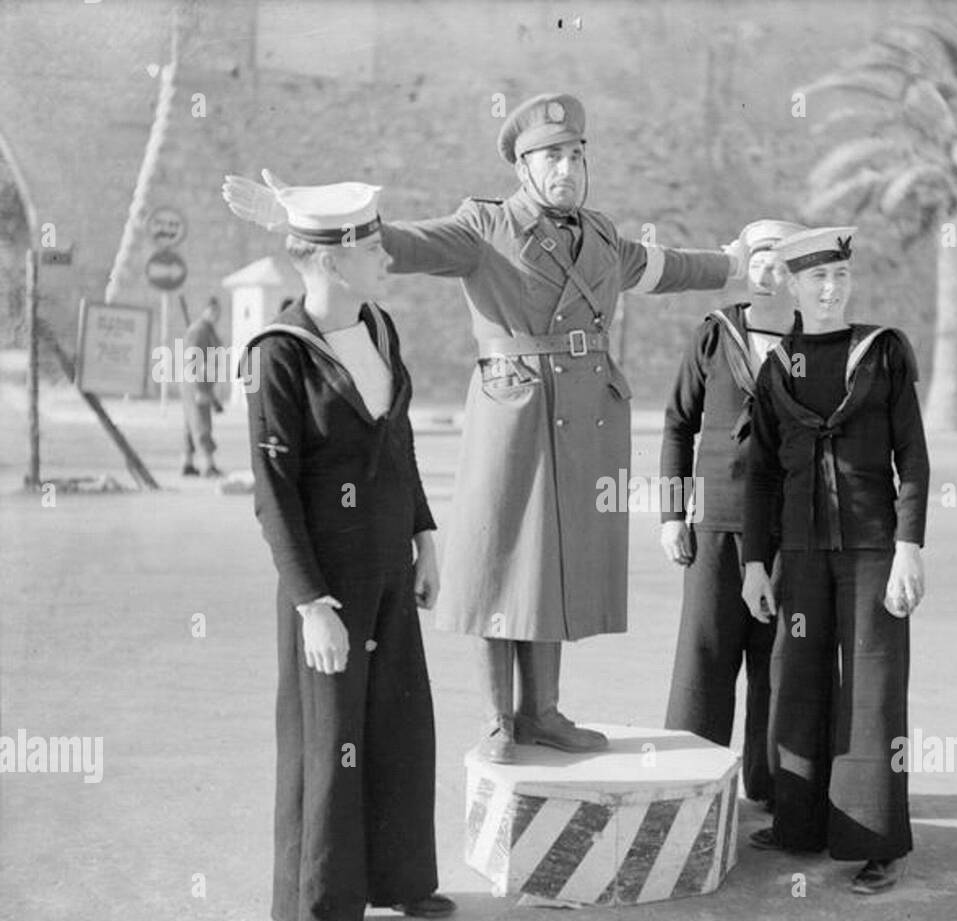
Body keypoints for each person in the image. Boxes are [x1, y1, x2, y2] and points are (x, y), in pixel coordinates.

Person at [224, 93, 749, 765]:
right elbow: (403, 244)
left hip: (586, 421)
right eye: (553, 157)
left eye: (577, 156)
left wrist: (732, 265)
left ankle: (545, 712)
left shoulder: (601, 236)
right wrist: (302, 217)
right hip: (517, 413)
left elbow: (666, 267)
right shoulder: (485, 226)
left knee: (555, 567)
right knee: (505, 560)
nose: (568, 169)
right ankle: (501, 720)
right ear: (523, 166)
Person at [235, 181, 449, 921]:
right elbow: (272, 494)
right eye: (371, 245)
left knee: (397, 726)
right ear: (327, 259)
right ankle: (322, 911)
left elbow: (399, 442)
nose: (386, 254)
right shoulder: (278, 356)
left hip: (392, 562)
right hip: (328, 581)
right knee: (329, 745)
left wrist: (425, 535)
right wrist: (310, 604)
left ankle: (401, 878)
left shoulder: (380, 327)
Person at [740, 226, 930, 895]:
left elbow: (912, 453)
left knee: (872, 691)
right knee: (797, 682)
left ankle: (875, 843)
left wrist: (910, 547)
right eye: (817, 278)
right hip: (798, 551)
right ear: (794, 284)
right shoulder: (775, 367)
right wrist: (755, 564)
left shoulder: (880, 353)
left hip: (873, 547)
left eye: (840, 278)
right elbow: (761, 474)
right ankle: (800, 824)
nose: (830, 289)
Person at [659, 219, 805, 807]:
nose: (770, 269)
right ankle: (691, 785)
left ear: (798, 273)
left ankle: (774, 792)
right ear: (746, 265)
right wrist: (672, 515)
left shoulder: (814, 343)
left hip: (789, 532)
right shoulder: (715, 335)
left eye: (782, 259)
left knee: (779, 661)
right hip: (715, 524)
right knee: (706, 658)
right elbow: (677, 423)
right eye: (760, 257)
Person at [180, 296, 224, 478]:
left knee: (191, 426)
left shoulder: (207, 329)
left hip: (203, 383)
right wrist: (200, 389)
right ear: (206, 310)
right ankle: (209, 465)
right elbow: (192, 360)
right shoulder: (199, 330)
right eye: (212, 311)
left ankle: (187, 463)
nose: (215, 315)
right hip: (197, 384)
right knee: (202, 424)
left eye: (217, 312)